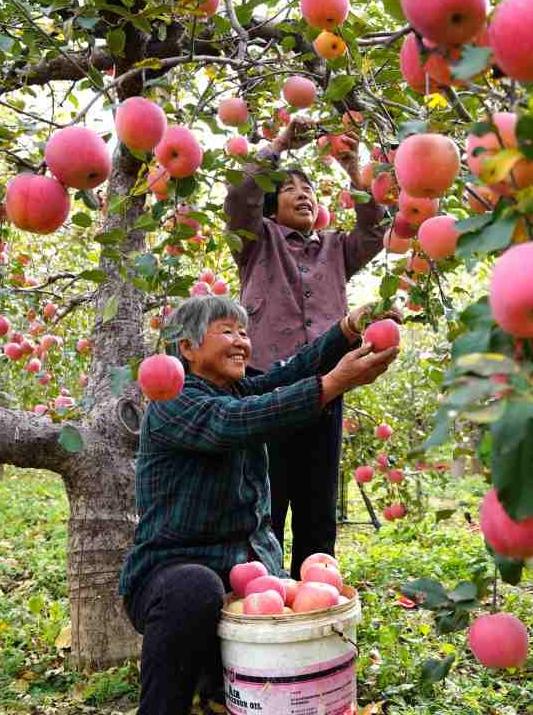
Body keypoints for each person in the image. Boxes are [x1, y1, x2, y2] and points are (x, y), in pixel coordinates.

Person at [118, 295, 397, 715]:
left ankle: (220, 688)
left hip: (244, 576)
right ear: (187, 349)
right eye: (226, 331)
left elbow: (292, 372)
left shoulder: (238, 389)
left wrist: (348, 328)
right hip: (171, 576)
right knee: (195, 589)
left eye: (244, 333)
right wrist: (333, 384)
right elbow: (235, 421)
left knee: (273, 625)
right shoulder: (172, 401)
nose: (241, 342)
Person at [224, 114, 387, 577]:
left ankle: (316, 595)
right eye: (291, 188)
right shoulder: (257, 241)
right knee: (266, 501)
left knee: (318, 505)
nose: (304, 194)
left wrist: (354, 168)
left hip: (326, 385)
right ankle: (267, 598)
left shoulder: (336, 248)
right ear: (273, 207)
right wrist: (277, 143)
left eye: (309, 189)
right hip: (265, 383)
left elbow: (375, 232)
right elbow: (240, 197)